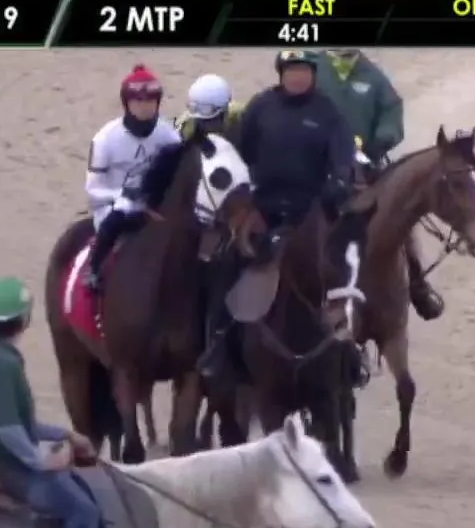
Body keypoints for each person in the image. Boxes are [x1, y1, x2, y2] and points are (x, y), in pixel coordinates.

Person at [195, 49, 358, 380]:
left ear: (313, 74)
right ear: (281, 74)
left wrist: (339, 181)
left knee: (342, 270)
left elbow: (343, 158)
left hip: (310, 215)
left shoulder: (328, 113)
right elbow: (237, 151)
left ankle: (349, 354)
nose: (297, 76)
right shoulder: (261, 107)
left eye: (303, 70)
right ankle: (218, 341)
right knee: (224, 262)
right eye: (291, 70)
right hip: (263, 210)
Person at [0, 276, 102, 528]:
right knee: (84, 512)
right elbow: (9, 431)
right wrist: (43, 461)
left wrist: (67, 435)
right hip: (2, 467)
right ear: (23, 320)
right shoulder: (2, 365)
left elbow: (21, 423)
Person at [314, 48, 444, 321]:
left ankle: (417, 282)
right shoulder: (313, 68)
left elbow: (391, 113)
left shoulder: (373, 76)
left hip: (366, 165)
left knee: (401, 215)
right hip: (317, 162)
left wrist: (383, 137)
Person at [84, 65, 180, 293]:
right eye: (138, 101)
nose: (145, 107)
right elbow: (93, 190)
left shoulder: (169, 136)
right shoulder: (105, 139)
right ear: (126, 103)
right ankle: (94, 269)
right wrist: (122, 195)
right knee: (117, 218)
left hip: (154, 205)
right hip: (115, 207)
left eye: (151, 101)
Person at [174, 73, 246, 141]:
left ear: (224, 111)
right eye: (202, 120)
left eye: (210, 120)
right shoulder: (186, 126)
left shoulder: (240, 114)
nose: (204, 125)